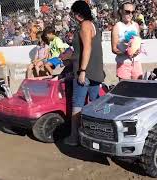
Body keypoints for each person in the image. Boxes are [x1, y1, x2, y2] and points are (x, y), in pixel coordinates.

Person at [63, 0, 105, 146]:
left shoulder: (84, 25)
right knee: (95, 103)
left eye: (74, 14)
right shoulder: (93, 25)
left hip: (85, 72)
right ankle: (97, 135)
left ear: (77, 14)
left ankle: (74, 137)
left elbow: (87, 49)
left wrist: (82, 71)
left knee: (77, 104)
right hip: (96, 71)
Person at [111, 0, 143, 80]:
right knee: (125, 90)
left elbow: (139, 42)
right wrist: (126, 52)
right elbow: (114, 49)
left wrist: (138, 50)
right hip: (123, 64)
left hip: (136, 62)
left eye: (132, 12)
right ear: (121, 11)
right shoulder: (117, 27)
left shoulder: (136, 25)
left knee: (139, 88)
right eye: (127, 12)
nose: (130, 14)